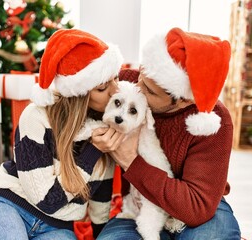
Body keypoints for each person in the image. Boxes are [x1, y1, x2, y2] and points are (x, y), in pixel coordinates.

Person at [0, 29, 125, 240]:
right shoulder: (36, 117)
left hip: (58, 227)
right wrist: (93, 152)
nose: (116, 91)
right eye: (102, 88)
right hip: (11, 205)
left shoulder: (107, 127)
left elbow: (100, 199)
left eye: (116, 78)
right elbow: (47, 199)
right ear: (78, 95)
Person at [97, 27, 241, 240]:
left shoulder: (214, 123)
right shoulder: (128, 84)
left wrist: (130, 162)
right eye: (141, 77)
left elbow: (197, 207)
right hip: (139, 202)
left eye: (150, 91)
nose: (138, 89)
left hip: (197, 207)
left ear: (184, 99)